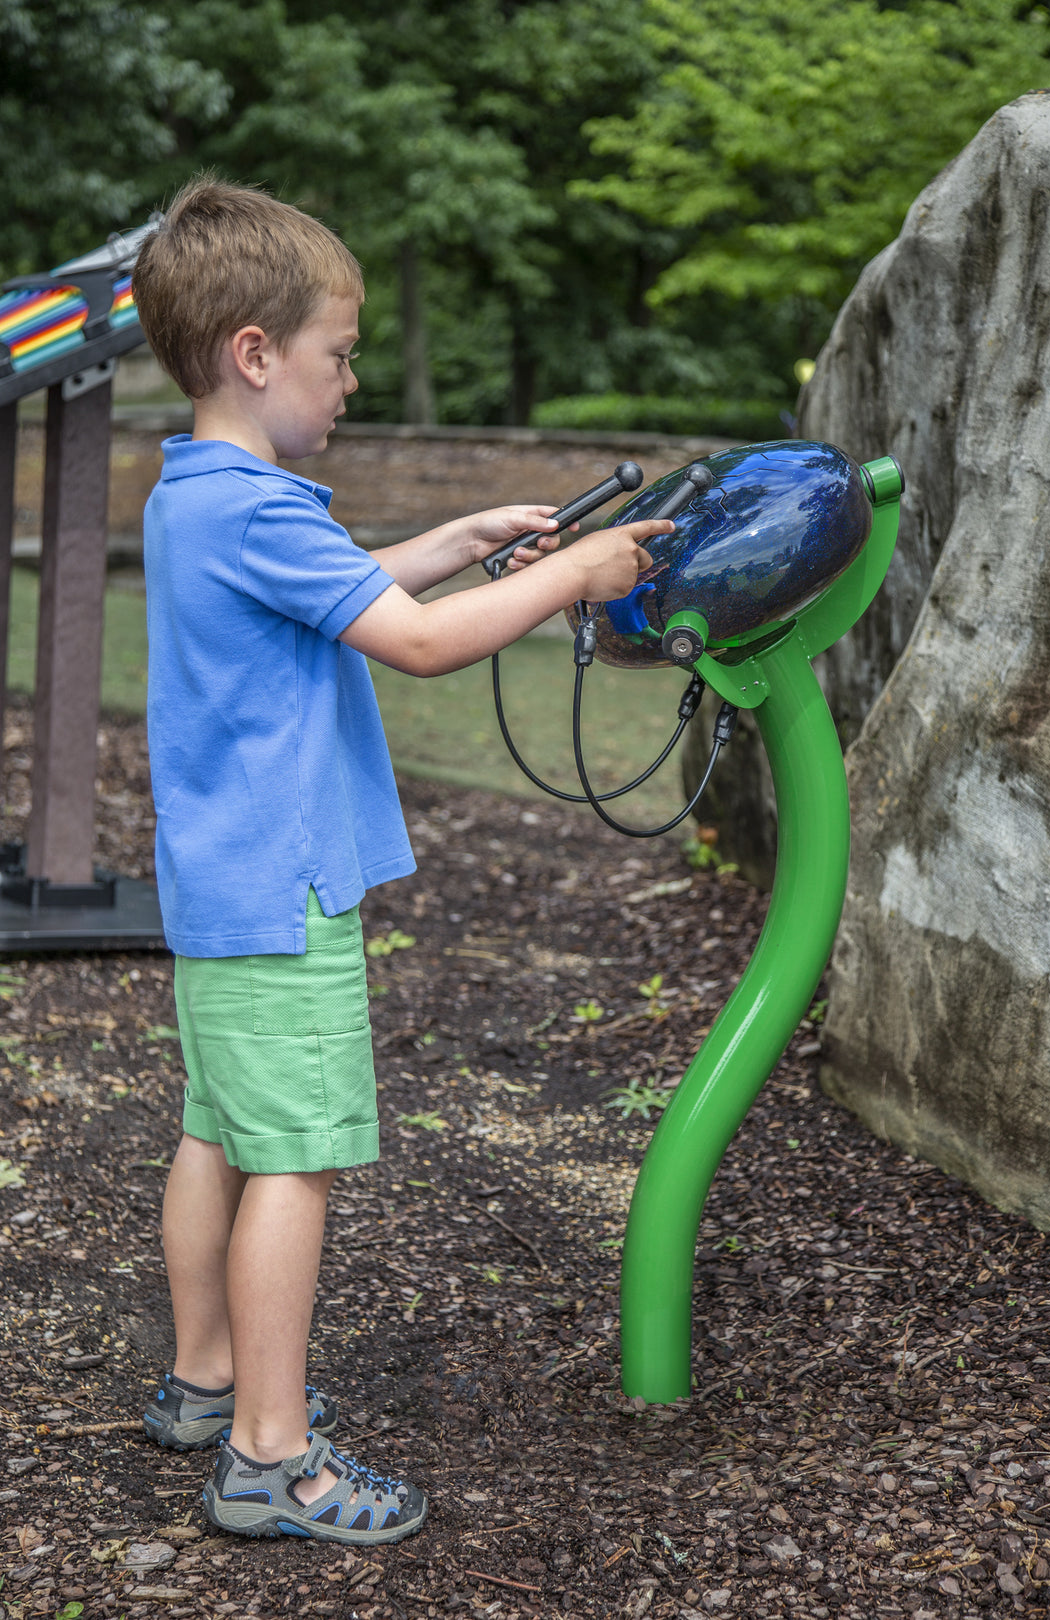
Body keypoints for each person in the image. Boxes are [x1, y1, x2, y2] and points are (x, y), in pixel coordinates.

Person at [130, 175, 670, 1548]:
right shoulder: (264, 509)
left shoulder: (204, 492)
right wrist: (573, 575)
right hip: (284, 890)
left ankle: (204, 1381)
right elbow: (417, 641)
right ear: (258, 354)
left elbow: (342, 583)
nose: (352, 380)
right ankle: (269, 1456)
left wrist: (465, 541)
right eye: (338, 355)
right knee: (294, 1162)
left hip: (219, 886)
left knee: (219, 1132)